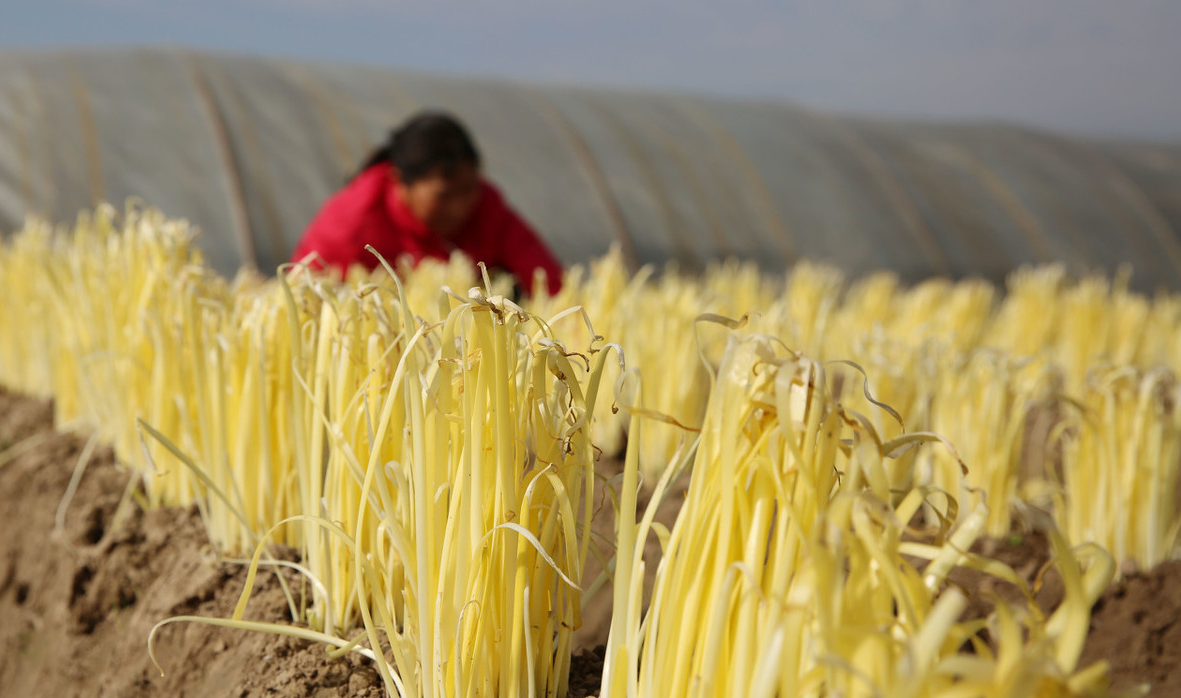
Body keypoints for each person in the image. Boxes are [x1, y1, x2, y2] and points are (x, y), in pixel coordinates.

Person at [290, 111, 563, 295]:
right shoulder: (352, 220)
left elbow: (549, 285)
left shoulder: (488, 207)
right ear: (399, 182)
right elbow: (302, 292)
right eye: (444, 196)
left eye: (468, 190)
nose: (461, 207)